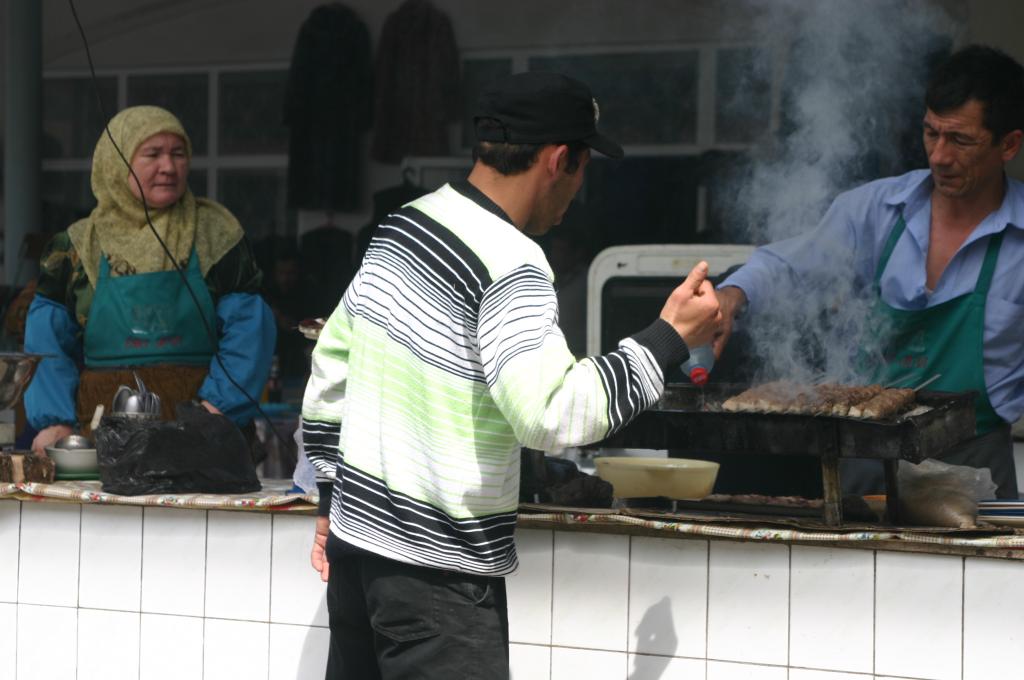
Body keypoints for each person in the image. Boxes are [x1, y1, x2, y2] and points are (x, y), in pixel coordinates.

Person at [302, 71, 721, 679]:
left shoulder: (404, 226)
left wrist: (328, 496)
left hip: (355, 553)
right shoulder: (511, 263)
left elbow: (330, 365)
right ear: (558, 160)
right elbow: (550, 414)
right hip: (439, 576)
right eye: (583, 168)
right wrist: (669, 339)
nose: (578, 190)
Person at [715, 45, 1024, 498]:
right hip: (868, 462)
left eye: (960, 140)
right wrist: (733, 294)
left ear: (1009, 145)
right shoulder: (876, 211)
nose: (939, 156)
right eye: (930, 133)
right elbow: (789, 266)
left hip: (977, 469)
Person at [23, 105, 276, 455]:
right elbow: (46, 341)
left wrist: (216, 411)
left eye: (178, 154)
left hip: (204, 431)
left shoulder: (217, 235)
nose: (169, 167)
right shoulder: (77, 246)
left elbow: (250, 330)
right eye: (152, 154)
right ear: (116, 162)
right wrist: (55, 422)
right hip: (100, 431)